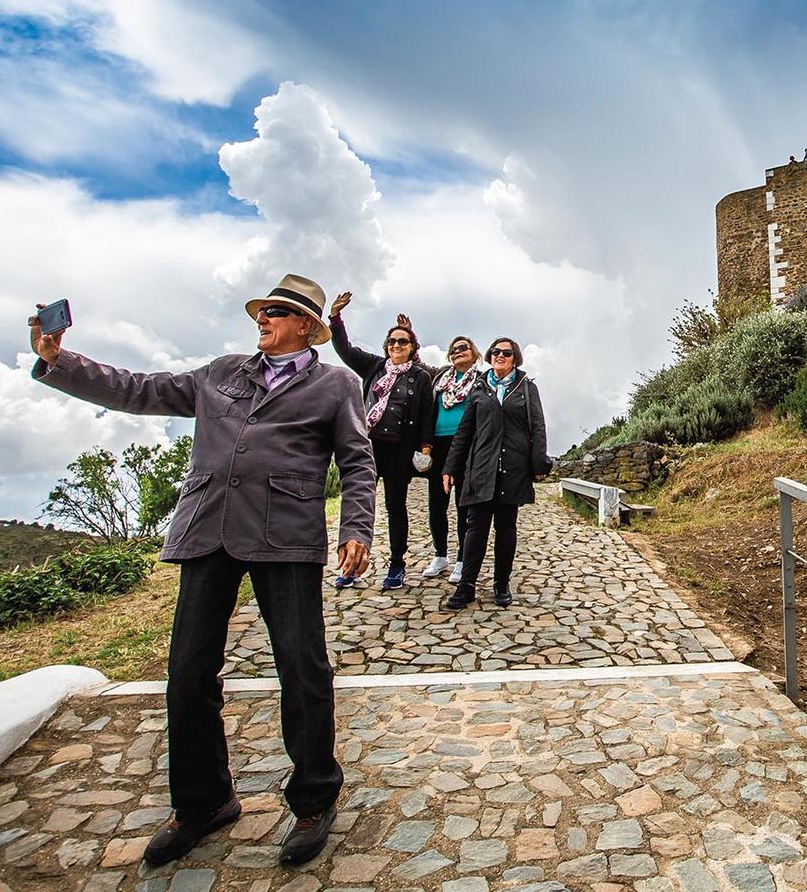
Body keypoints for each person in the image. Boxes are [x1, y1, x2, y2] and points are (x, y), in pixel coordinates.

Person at [28, 273, 375, 868]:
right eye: (261, 311)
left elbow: (357, 460)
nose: (262, 320)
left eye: (275, 313)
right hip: (207, 529)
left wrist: (356, 528)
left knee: (303, 670)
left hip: (285, 536)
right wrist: (61, 361)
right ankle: (203, 804)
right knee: (188, 675)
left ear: (305, 326)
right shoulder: (220, 373)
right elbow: (138, 388)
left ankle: (315, 800)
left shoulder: (336, 383)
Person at [328, 291, 435, 591]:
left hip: (399, 451)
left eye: (403, 342)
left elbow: (426, 414)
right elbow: (345, 350)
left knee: (395, 507)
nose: (396, 345)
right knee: (359, 505)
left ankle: (397, 564)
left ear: (413, 348)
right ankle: (350, 566)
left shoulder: (420, 376)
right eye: (392, 341)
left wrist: (425, 446)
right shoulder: (374, 367)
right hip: (368, 447)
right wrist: (336, 318)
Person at [442, 337, 550, 610]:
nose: (500, 355)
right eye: (495, 351)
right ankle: (466, 586)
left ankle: (501, 584)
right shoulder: (479, 388)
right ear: (489, 356)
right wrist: (451, 467)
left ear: (515, 358)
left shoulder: (526, 388)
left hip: (512, 468)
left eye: (507, 352)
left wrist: (538, 465)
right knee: (475, 527)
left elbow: (537, 427)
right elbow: (465, 431)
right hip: (481, 467)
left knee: (506, 528)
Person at [422, 333, 482, 581]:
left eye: (464, 348)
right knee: (437, 503)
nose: (458, 352)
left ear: (474, 352)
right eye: (454, 349)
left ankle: (461, 558)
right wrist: (426, 444)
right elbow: (429, 412)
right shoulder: (440, 380)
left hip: (467, 446)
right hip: (439, 445)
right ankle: (440, 554)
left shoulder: (481, 381)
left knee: (463, 505)